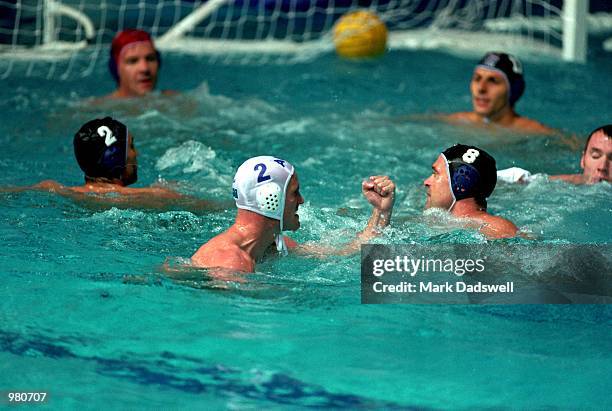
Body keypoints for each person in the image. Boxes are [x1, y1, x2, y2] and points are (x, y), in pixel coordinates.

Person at [191, 156, 396, 272]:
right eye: (294, 192)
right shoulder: (230, 263)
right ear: (270, 198)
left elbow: (345, 252)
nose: (301, 201)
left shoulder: (272, 245)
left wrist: (381, 210)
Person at [10, 117, 222, 211]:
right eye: (131, 146)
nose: (136, 153)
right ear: (115, 156)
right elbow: (219, 210)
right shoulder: (155, 196)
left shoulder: (53, 189)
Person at [443, 51, 555, 134]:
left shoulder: (535, 133)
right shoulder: (454, 121)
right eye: (477, 78)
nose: (481, 88)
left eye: (493, 81)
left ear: (513, 90)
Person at [423, 144, 518, 239]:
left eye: (435, 174)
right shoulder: (440, 222)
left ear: (461, 183)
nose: (426, 182)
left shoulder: (498, 229)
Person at [497, 125, 612, 184]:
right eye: (595, 156)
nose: (602, 167)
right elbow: (521, 182)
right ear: (583, 159)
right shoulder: (562, 184)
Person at [107, 29, 176, 99]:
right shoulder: (101, 107)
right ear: (116, 68)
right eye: (133, 61)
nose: (144, 68)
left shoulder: (176, 100)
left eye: (150, 59)